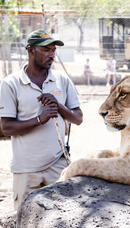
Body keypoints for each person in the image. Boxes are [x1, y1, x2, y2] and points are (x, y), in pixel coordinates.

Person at [0, 29, 83, 211]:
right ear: (30, 51)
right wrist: (40, 119)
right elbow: (6, 128)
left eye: (53, 50)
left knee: (63, 219)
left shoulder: (61, 80)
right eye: (46, 50)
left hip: (58, 166)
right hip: (26, 170)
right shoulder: (11, 83)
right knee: (23, 222)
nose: (51, 55)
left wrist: (59, 106)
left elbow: (78, 118)